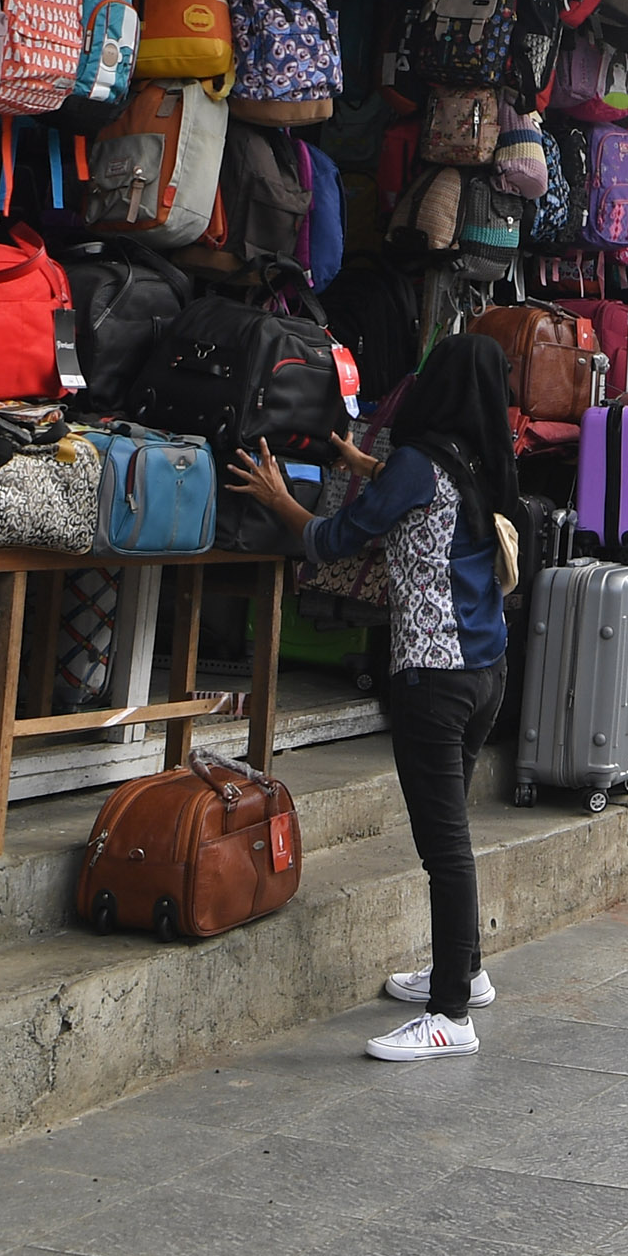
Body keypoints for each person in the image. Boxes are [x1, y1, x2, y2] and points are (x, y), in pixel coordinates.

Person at [228, 336, 514, 1063]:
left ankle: (451, 1014)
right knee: (453, 844)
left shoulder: (424, 462)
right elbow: (416, 496)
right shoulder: (477, 461)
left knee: (443, 852)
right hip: (485, 674)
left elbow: (336, 540)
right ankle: (466, 973)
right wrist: (366, 467)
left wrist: (281, 501)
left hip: (433, 680)